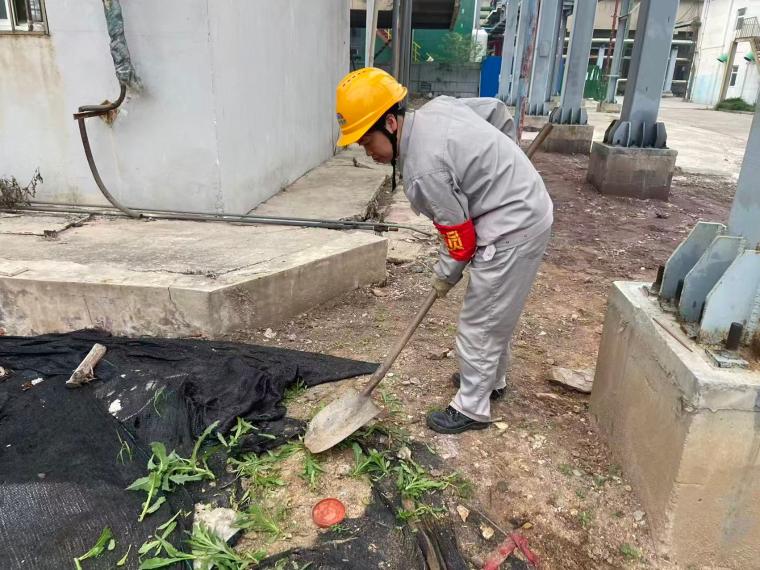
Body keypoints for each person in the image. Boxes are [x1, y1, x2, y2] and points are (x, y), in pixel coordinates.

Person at [335, 67, 553, 434]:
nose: (367, 152)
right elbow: (496, 111)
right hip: (522, 207)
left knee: (481, 320)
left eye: (367, 142)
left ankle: (472, 407)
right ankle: (490, 381)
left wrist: (442, 278)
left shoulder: (424, 170)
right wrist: (507, 164)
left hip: (513, 225)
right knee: (494, 310)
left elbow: (460, 240)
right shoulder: (438, 108)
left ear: (390, 123)